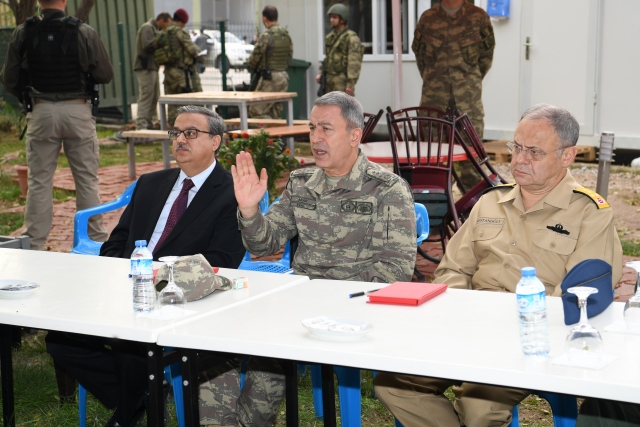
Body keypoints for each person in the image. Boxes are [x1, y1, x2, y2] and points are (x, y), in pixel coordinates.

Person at [374, 104, 623, 427]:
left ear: (567, 156)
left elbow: (582, 296)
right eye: (516, 147)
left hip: (532, 341)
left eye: (534, 152)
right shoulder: (491, 202)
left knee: (479, 409)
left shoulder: (589, 212)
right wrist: (463, 315)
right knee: (393, 384)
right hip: (470, 329)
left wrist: (517, 329)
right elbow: (452, 270)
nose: (520, 159)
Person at [195, 91, 416, 426]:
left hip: (351, 306)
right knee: (218, 335)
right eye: (312, 128)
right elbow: (264, 242)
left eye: (326, 128)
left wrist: (329, 299)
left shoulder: (386, 189)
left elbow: (396, 270)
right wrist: (250, 210)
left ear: (354, 135)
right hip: (298, 299)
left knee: (268, 359)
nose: (315, 138)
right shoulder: (301, 183)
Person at [46, 106, 245, 427]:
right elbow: (117, 241)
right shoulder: (151, 182)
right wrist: (117, 276)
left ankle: (128, 414)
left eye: (191, 133)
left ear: (216, 141)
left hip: (177, 294)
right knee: (61, 339)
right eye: (175, 133)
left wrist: (158, 281)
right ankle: (145, 395)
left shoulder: (231, 193)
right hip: (126, 284)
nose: (179, 139)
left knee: (131, 343)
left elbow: (222, 260)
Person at [0, 0, 113, 252]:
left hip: (41, 111)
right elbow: (105, 74)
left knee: (39, 181)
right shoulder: (83, 31)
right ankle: (93, 241)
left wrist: (28, 94)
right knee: (86, 180)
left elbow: (9, 78)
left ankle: (34, 244)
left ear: (39, 2)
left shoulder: (23, 32)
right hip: (78, 111)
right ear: (64, 1)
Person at [412, 0, 495, 138]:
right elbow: (421, 58)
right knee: (432, 150)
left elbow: (486, 58)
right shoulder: (427, 19)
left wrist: (468, 81)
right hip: (434, 104)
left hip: (468, 104)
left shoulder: (478, 17)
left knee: (469, 151)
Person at [159, 8, 203, 127]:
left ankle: (172, 129)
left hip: (168, 72)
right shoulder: (180, 32)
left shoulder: (163, 32)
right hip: (180, 73)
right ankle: (185, 128)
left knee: (171, 103)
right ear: (182, 21)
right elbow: (192, 50)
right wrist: (200, 54)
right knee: (185, 101)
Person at [247, 5, 293, 119]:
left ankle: (267, 130)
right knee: (275, 113)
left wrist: (253, 65)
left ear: (264, 18)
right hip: (283, 77)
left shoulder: (266, 36)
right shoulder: (286, 35)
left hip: (270, 78)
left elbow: (254, 59)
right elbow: (289, 58)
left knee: (255, 110)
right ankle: (277, 131)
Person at [315, 3, 363, 96]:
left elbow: (354, 63)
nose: (331, 20)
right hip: (328, 80)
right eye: (331, 17)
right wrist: (321, 73)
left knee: (342, 104)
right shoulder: (330, 37)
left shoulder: (351, 38)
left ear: (343, 20)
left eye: (334, 17)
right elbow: (327, 58)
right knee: (327, 104)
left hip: (341, 80)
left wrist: (350, 84)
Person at [134, 12, 171, 130]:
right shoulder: (147, 27)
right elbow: (147, 45)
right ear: (161, 20)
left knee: (153, 97)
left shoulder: (154, 29)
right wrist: (161, 40)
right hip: (145, 67)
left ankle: (148, 123)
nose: (166, 27)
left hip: (152, 66)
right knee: (146, 96)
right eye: (167, 23)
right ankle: (141, 125)